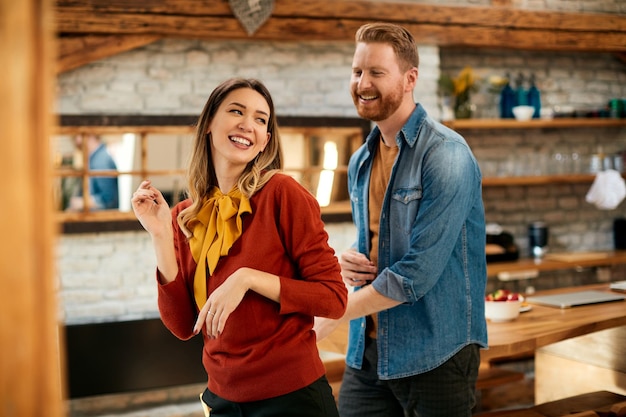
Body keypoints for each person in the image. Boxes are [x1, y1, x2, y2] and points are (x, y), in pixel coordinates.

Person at [131, 78, 347, 417]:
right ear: (209, 125)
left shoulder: (283, 193)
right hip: (222, 400)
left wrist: (248, 279)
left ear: (265, 142)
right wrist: (159, 235)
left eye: (261, 119)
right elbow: (184, 324)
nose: (248, 124)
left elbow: (333, 298)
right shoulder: (185, 216)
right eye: (237, 111)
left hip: (293, 400)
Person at [314, 23, 488, 416]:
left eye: (377, 72)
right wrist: (347, 263)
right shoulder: (361, 160)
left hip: (436, 354)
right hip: (370, 350)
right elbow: (380, 243)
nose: (363, 83)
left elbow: (416, 273)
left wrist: (334, 312)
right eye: (358, 71)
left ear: (410, 79)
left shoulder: (446, 154)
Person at [67, 133, 119, 210]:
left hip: (101, 219)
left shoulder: (101, 161)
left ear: (90, 135)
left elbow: (108, 200)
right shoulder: (95, 159)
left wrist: (80, 202)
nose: (75, 142)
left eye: (76, 136)